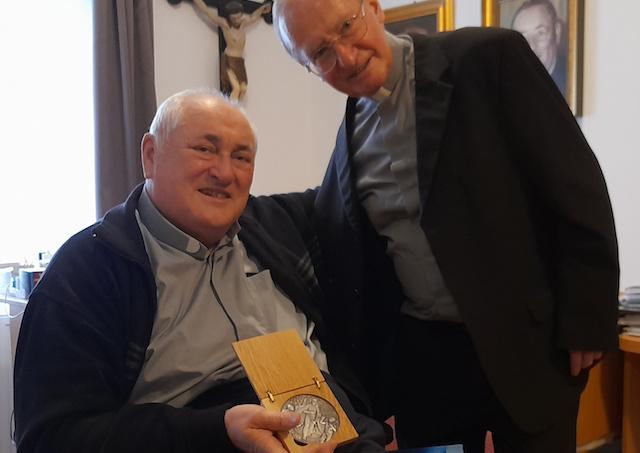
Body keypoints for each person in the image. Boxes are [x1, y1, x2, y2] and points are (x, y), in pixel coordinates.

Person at [272, 0, 619, 452]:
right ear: (307, 67)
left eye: (347, 27)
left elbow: (575, 187)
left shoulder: (488, 58)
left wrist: (588, 320)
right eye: (321, 53)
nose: (347, 57)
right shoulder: (350, 138)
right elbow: (335, 230)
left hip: (526, 345)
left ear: (373, 8)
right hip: (428, 365)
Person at [13, 89, 387, 453]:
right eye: (204, 150)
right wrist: (217, 430)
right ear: (150, 155)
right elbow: (51, 437)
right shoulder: (88, 273)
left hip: (343, 433)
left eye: (241, 157)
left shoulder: (279, 226)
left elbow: (369, 193)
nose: (224, 172)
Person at [193, 0, 272, 101]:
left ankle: (237, 107)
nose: (237, 20)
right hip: (229, 60)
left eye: (239, 17)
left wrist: (262, 9)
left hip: (239, 61)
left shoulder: (243, 24)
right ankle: (229, 108)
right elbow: (207, 11)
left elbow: (253, 16)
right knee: (236, 88)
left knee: (243, 89)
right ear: (229, 17)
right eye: (234, 18)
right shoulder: (225, 25)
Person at [512, 0, 567, 95]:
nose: (531, 47)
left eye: (540, 33)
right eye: (522, 38)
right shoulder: (510, 84)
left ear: (557, 32)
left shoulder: (570, 83)